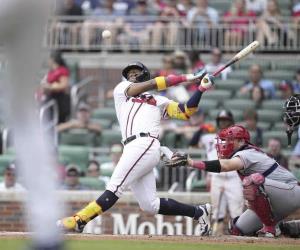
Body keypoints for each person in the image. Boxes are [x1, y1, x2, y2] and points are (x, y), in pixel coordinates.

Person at [57, 61, 215, 235]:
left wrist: (200, 89)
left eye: (136, 71)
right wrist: (186, 78)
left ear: (145, 73)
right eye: (129, 73)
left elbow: (186, 112)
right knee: (149, 205)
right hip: (133, 146)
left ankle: (79, 220)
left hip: (145, 143)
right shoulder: (122, 91)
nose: (132, 75)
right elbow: (154, 83)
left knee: (115, 187)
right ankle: (199, 212)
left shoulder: (159, 100)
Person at [165, 125, 300, 237]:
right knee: (237, 228)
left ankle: (270, 227)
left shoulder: (247, 153)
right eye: (225, 140)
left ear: (241, 141)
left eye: (230, 140)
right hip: (275, 201)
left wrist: (190, 162)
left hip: (291, 192)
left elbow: (226, 166)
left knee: (252, 182)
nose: (225, 143)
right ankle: (284, 227)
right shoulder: (242, 153)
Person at [199, 110, 244, 235]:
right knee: (217, 212)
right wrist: (201, 128)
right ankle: (217, 238)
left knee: (237, 213)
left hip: (234, 177)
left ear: (231, 122)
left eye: (226, 120)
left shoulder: (238, 139)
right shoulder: (211, 138)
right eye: (221, 120)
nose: (224, 123)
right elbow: (193, 142)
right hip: (217, 177)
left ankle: (239, 238)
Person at [40, 51, 71, 123]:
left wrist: (50, 87)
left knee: (57, 121)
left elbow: (63, 85)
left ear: (53, 59)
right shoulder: (51, 72)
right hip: (50, 98)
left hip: (59, 100)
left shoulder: (62, 70)